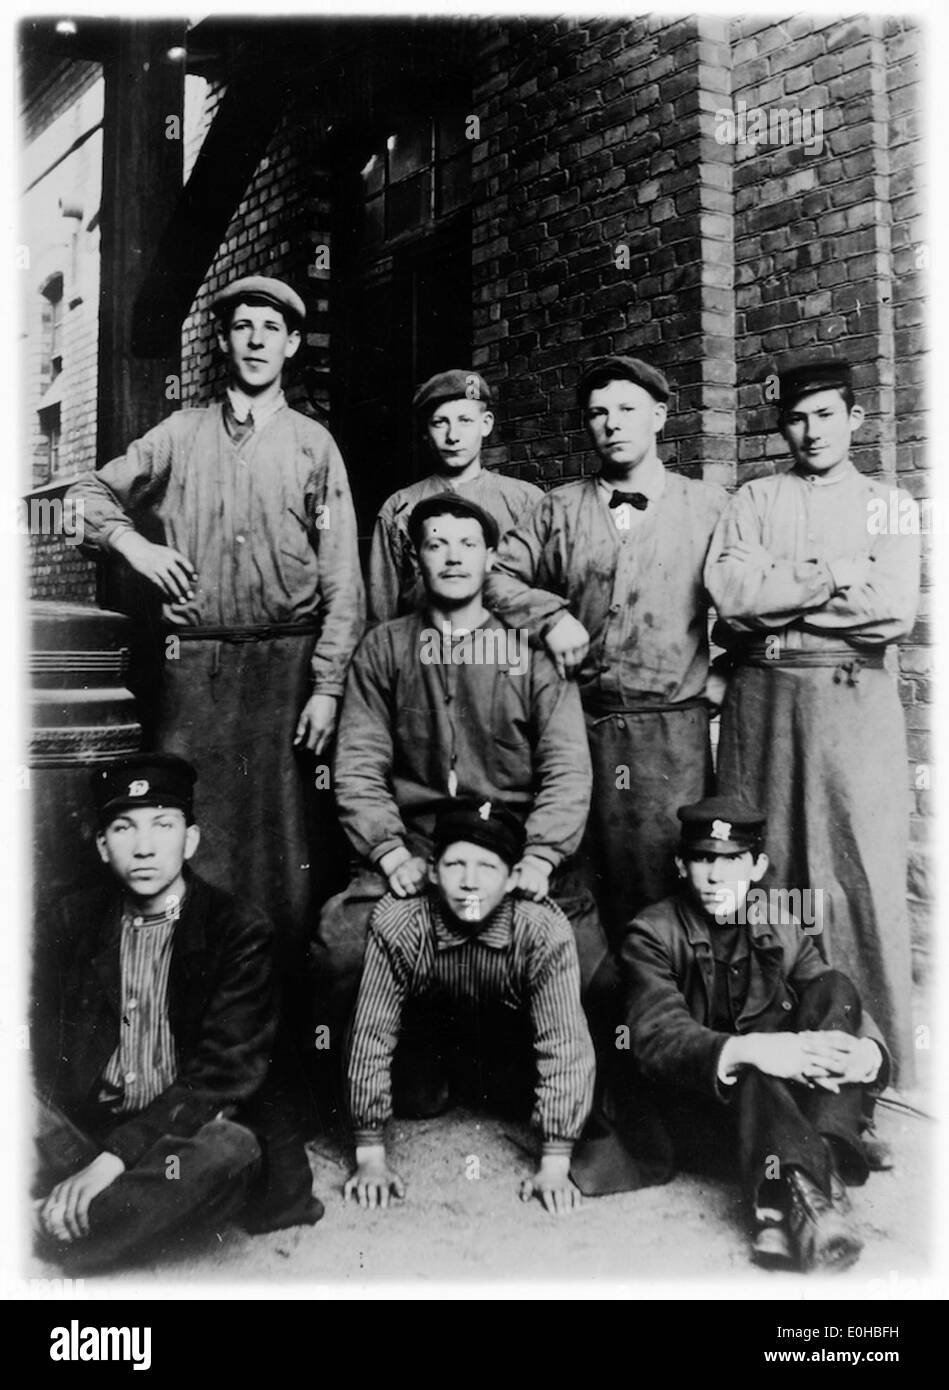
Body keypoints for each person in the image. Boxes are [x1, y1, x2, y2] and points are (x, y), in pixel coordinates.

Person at [66, 275, 365, 964]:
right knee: (189, 831)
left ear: (291, 344)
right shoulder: (180, 433)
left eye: (271, 329)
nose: (256, 340)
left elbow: (342, 575)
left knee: (286, 846)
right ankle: (189, 1000)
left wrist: (326, 686)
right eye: (242, 326)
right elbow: (79, 497)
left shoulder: (313, 445)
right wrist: (132, 543)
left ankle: (283, 1025)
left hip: (286, 672)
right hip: (193, 670)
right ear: (223, 341)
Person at [316, 493, 610, 1061]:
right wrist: (389, 852)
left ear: (490, 559)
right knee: (341, 950)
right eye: (436, 545)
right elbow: (356, 766)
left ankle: (548, 1090)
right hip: (418, 842)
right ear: (416, 560)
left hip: (513, 844)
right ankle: (398, 1077)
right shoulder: (384, 649)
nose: (452, 558)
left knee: (595, 967)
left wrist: (542, 856)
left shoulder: (534, 654)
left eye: (467, 545)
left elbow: (568, 771)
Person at [704, 360, 920, 1086]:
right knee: (771, 867)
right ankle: (776, 1061)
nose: (811, 431)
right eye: (797, 418)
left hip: (852, 705)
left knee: (855, 871)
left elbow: (891, 610)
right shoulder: (755, 497)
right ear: (782, 426)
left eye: (826, 415)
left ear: (854, 419)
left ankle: (871, 1068)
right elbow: (731, 597)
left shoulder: (888, 505)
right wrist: (830, 574)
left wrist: (779, 591)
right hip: (761, 703)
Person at [571, 798, 890, 1273]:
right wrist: (757, 1050)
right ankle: (818, 1185)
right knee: (756, 1072)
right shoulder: (652, 933)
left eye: (732, 861)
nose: (716, 877)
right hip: (696, 1106)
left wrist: (868, 1055)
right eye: (702, 859)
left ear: (757, 865)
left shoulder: (779, 920)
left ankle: (787, 1205)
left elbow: (829, 996)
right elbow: (658, 1038)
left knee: (835, 988)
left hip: (776, 1107)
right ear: (682, 865)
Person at [30, 754, 321, 1275]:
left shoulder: (238, 930)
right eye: (124, 828)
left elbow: (221, 1079)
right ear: (102, 846)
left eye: (163, 825)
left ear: (189, 840)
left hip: (179, 1136)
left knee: (228, 1151)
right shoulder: (70, 918)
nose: (144, 847)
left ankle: (49, 1223)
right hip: (87, 1134)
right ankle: (93, 1214)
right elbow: (38, 1047)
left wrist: (114, 1161)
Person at [484, 355, 727, 945]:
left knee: (665, 886)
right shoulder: (557, 508)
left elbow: (753, 597)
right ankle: (582, 1026)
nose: (612, 424)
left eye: (626, 409)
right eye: (597, 414)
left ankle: (661, 1026)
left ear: (660, 417)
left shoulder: (709, 506)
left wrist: (732, 670)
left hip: (670, 742)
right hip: (576, 728)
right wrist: (549, 616)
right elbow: (493, 578)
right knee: (576, 887)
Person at [344, 800, 595, 1216]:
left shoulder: (541, 930)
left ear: (514, 877)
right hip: (430, 1048)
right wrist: (370, 1155)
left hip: (508, 1053)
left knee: (518, 1088)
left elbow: (563, 1042)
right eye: (455, 865)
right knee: (416, 1090)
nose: (469, 883)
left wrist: (555, 1161)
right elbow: (371, 1033)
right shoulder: (400, 923)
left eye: (488, 868)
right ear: (431, 870)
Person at [367, 369, 542, 624]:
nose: (453, 435)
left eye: (465, 420)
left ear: (486, 424)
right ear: (426, 431)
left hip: (504, 652)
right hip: (426, 652)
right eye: (440, 422)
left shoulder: (525, 501)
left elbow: (547, 598)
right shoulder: (400, 507)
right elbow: (381, 614)